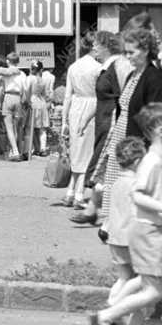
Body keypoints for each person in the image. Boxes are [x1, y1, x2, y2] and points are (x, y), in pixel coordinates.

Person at [88, 102, 162, 325]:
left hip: (158, 230)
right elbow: (139, 195)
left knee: (151, 291)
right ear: (158, 129)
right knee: (154, 291)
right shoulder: (153, 160)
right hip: (148, 232)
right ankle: (105, 316)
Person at [75, 22, 162, 225]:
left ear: (145, 51)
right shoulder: (134, 74)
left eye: (132, 52)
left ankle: (117, 228)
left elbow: (156, 117)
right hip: (121, 135)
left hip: (137, 141)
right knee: (113, 185)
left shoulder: (153, 79)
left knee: (130, 189)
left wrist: (146, 148)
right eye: (125, 52)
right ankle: (111, 225)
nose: (128, 56)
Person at [80, 32, 132, 202]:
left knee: (102, 164)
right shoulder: (105, 68)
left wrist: (120, 123)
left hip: (111, 123)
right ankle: (95, 208)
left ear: (106, 47)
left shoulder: (117, 67)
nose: (93, 48)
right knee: (103, 165)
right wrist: (86, 119)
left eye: (96, 44)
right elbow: (101, 98)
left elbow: (123, 96)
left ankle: (96, 207)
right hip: (103, 122)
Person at [101, 136, 148, 311]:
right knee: (139, 278)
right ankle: (114, 307)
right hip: (131, 240)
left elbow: (111, 211)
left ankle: (115, 308)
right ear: (137, 162)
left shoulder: (116, 183)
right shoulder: (135, 185)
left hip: (115, 238)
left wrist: (104, 227)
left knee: (124, 277)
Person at [61, 36, 102, 205]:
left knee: (77, 150)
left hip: (75, 107)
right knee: (87, 153)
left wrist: (64, 120)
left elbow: (67, 96)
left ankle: (70, 191)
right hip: (92, 105)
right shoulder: (98, 68)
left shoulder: (73, 66)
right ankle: (78, 193)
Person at [0, 52, 31, 161]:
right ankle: (15, 150)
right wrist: (25, 101)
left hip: (8, 96)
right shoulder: (22, 74)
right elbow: (25, 90)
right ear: (18, 62)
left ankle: (15, 150)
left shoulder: (5, 73)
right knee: (16, 127)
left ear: (8, 61)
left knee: (9, 127)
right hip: (18, 98)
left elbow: (1, 89)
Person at [28, 61, 55, 157]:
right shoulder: (43, 80)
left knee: (32, 126)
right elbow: (45, 94)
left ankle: (35, 148)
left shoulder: (30, 79)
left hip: (33, 101)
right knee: (42, 127)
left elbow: (27, 91)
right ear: (41, 70)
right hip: (42, 102)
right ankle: (43, 148)